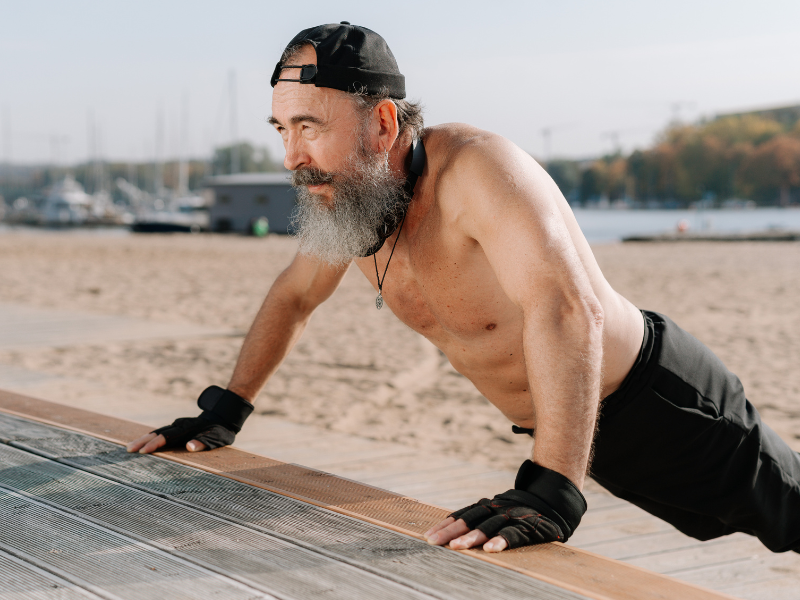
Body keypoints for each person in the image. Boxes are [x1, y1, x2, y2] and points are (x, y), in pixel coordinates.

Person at [127, 22, 800, 554]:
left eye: (310, 127)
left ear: (382, 124)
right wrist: (226, 409)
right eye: (283, 129)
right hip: (582, 434)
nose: (291, 157)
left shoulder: (479, 170)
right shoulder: (357, 203)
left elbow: (564, 307)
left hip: (665, 406)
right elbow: (294, 295)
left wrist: (552, 485)